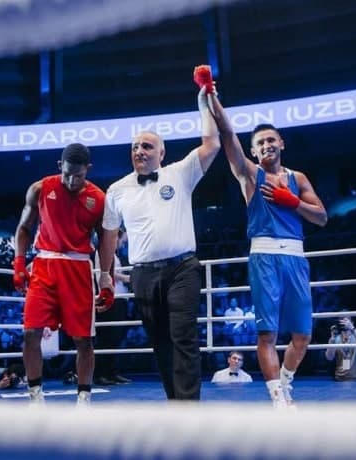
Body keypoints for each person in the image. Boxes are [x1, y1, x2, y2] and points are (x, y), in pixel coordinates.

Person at [97, 84, 221, 400]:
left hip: (182, 269)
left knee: (184, 336)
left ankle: (187, 408)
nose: (139, 150)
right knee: (160, 342)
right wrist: (105, 276)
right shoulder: (117, 190)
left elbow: (212, 144)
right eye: (135, 146)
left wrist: (204, 103)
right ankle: (175, 400)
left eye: (147, 146)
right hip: (142, 274)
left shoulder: (180, 173)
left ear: (161, 153)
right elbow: (109, 233)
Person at [209, 95, 328, 408]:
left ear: (281, 143)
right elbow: (228, 135)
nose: (266, 145)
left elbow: (321, 217)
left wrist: (294, 202)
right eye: (260, 143)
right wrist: (211, 98)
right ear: (253, 150)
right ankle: (277, 398)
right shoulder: (249, 174)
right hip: (264, 256)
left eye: (271, 140)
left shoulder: (298, 178)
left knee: (302, 335)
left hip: (295, 257)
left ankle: (285, 384)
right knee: (267, 334)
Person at [13, 143, 111, 405]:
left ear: (88, 169)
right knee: (30, 332)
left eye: (78, 175)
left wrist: (106, 279)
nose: (71, 181)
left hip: (78, 268)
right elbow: (24, 228)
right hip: (44, 265)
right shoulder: (40, 188)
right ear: (60, 166)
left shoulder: (99, 199)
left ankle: (84, 399)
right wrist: (19, 262)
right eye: (67, 174)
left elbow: (105, 241)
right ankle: (35, 397)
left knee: (83, 340)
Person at [93, 228, 133, 386]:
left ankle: (112, 372)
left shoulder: (114, 255)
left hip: (119, 298)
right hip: (109, 297)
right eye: (120, 240)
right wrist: (127, 278)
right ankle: (101, 374)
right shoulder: (102, 252)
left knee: (115, 338)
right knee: (106, 337)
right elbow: (107, 273)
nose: (121, 243)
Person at [324, 316, 356, 381]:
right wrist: (332, 339)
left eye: (345, 320)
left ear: (352, 322)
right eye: (341, 320)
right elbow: (329, 358)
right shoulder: (335, 338)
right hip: (339, 379)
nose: (343, 322)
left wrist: (352, 328)